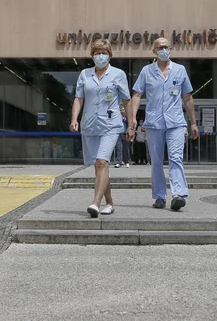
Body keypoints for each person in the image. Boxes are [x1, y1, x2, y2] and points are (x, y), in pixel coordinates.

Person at [129, 38, 198, 211]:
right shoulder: (147, 71)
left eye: (166, 47)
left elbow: (187, 97)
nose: (163, 50)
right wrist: (133, 119)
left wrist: (193, 123)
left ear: (171, 49)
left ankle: (178, 194)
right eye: (160, 47)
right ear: (154, 51)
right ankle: (159, 196)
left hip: (175, 122)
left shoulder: (180, 70)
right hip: (154, 123)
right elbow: (137, 95)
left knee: (176, 158)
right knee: (157, 161)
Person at [70, 39, 132, 218]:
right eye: (97, 53)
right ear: (92, 56)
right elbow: (79, 98)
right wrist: (74, 118)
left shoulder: (118, 74)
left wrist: (131, 124)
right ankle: (110, 203)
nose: (100, 56)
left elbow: (127, 100)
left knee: (102, 162)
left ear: (110, 55)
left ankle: (95, 203)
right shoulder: (84, 74)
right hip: (90, 124)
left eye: (104, 52)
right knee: (99, 166)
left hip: (111, 124)